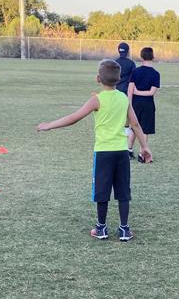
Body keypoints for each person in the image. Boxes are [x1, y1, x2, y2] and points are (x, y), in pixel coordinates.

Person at [36, 59, 153, 241]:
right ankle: (124, 229)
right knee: (123, 192)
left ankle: (101, 228)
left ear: (98, 78)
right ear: (119, 78)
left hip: (104, 153)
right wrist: (145, 147)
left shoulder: (96, 99)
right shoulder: (123, 98)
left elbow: (74, 117)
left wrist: (49, 125)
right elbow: (135, 124)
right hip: (122, 152)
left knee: (102, 191)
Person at [128, 47, 161, 163]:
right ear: (153, 57)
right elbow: (152, 92)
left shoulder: (136, 71)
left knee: (133, 128)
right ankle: (142, 154)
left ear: (141, 57)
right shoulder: (156, 74)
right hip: (148, 104)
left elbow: (130, 89)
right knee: (145, 130)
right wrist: (140, 93)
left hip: (135, 103)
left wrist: (129, 104)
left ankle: (129, 151)